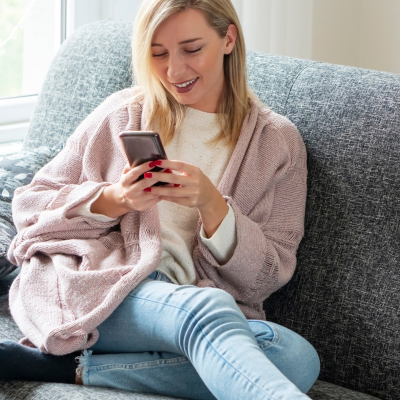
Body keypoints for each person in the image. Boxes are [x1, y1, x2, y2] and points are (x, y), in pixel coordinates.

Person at [0, 0, 320, 399]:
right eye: (157, 54)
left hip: (188, 306)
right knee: (209, 309)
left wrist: (214, 208)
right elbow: (31, 205)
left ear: (228, 38)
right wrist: (114, 199)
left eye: (191, 49)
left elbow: (270, 274)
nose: (174, 71)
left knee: (295, 357)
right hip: (102, 287)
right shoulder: (122, 114)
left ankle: (78, 369)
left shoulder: (277, 142)